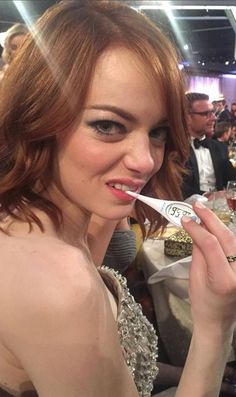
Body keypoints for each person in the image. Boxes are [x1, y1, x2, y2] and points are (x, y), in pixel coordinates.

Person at [0, 1, 236, 397]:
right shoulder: (59, 285)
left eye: (158, 131)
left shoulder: (45, 216)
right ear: (36, 117)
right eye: (108, 125)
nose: (146, 161)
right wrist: (215, 326)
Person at [182, 92, 236, 199]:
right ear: (187, 117)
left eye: (213, 112)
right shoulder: (174, 149)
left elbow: (231, 178)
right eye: (206, 114)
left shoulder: (220, 147)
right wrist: (207, 195)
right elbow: (177, 187)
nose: (214, 118)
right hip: (186, 208)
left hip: (219, 208)